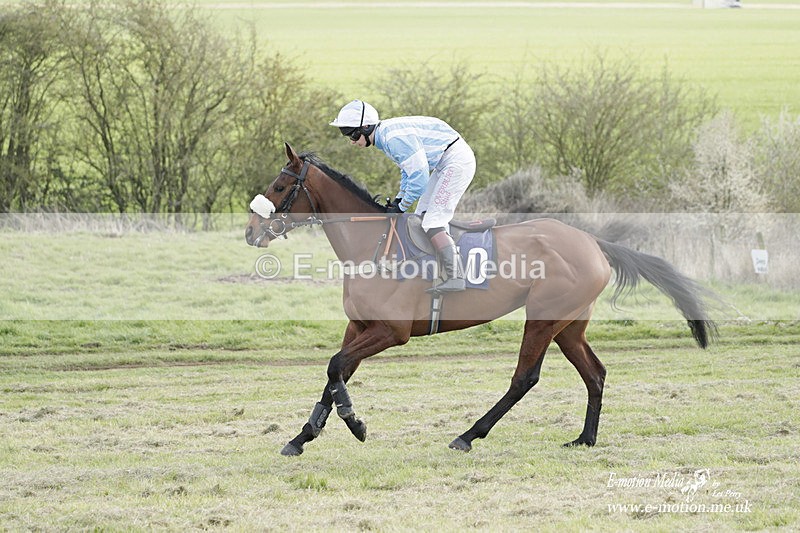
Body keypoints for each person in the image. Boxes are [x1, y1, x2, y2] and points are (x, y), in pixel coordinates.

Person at [330, 100, 476, 292]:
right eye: (347, 135)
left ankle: (455, 276)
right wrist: (400, 199)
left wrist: (402, 205)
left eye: (353, 134)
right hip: (445, 161)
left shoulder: (392, 139)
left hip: (456, 161)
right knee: (422, 214)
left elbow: (420, 177)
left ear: (366, 127)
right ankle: (433, 266)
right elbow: (407, 172)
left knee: (432, 221)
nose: (352, 140)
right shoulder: (384, 136)